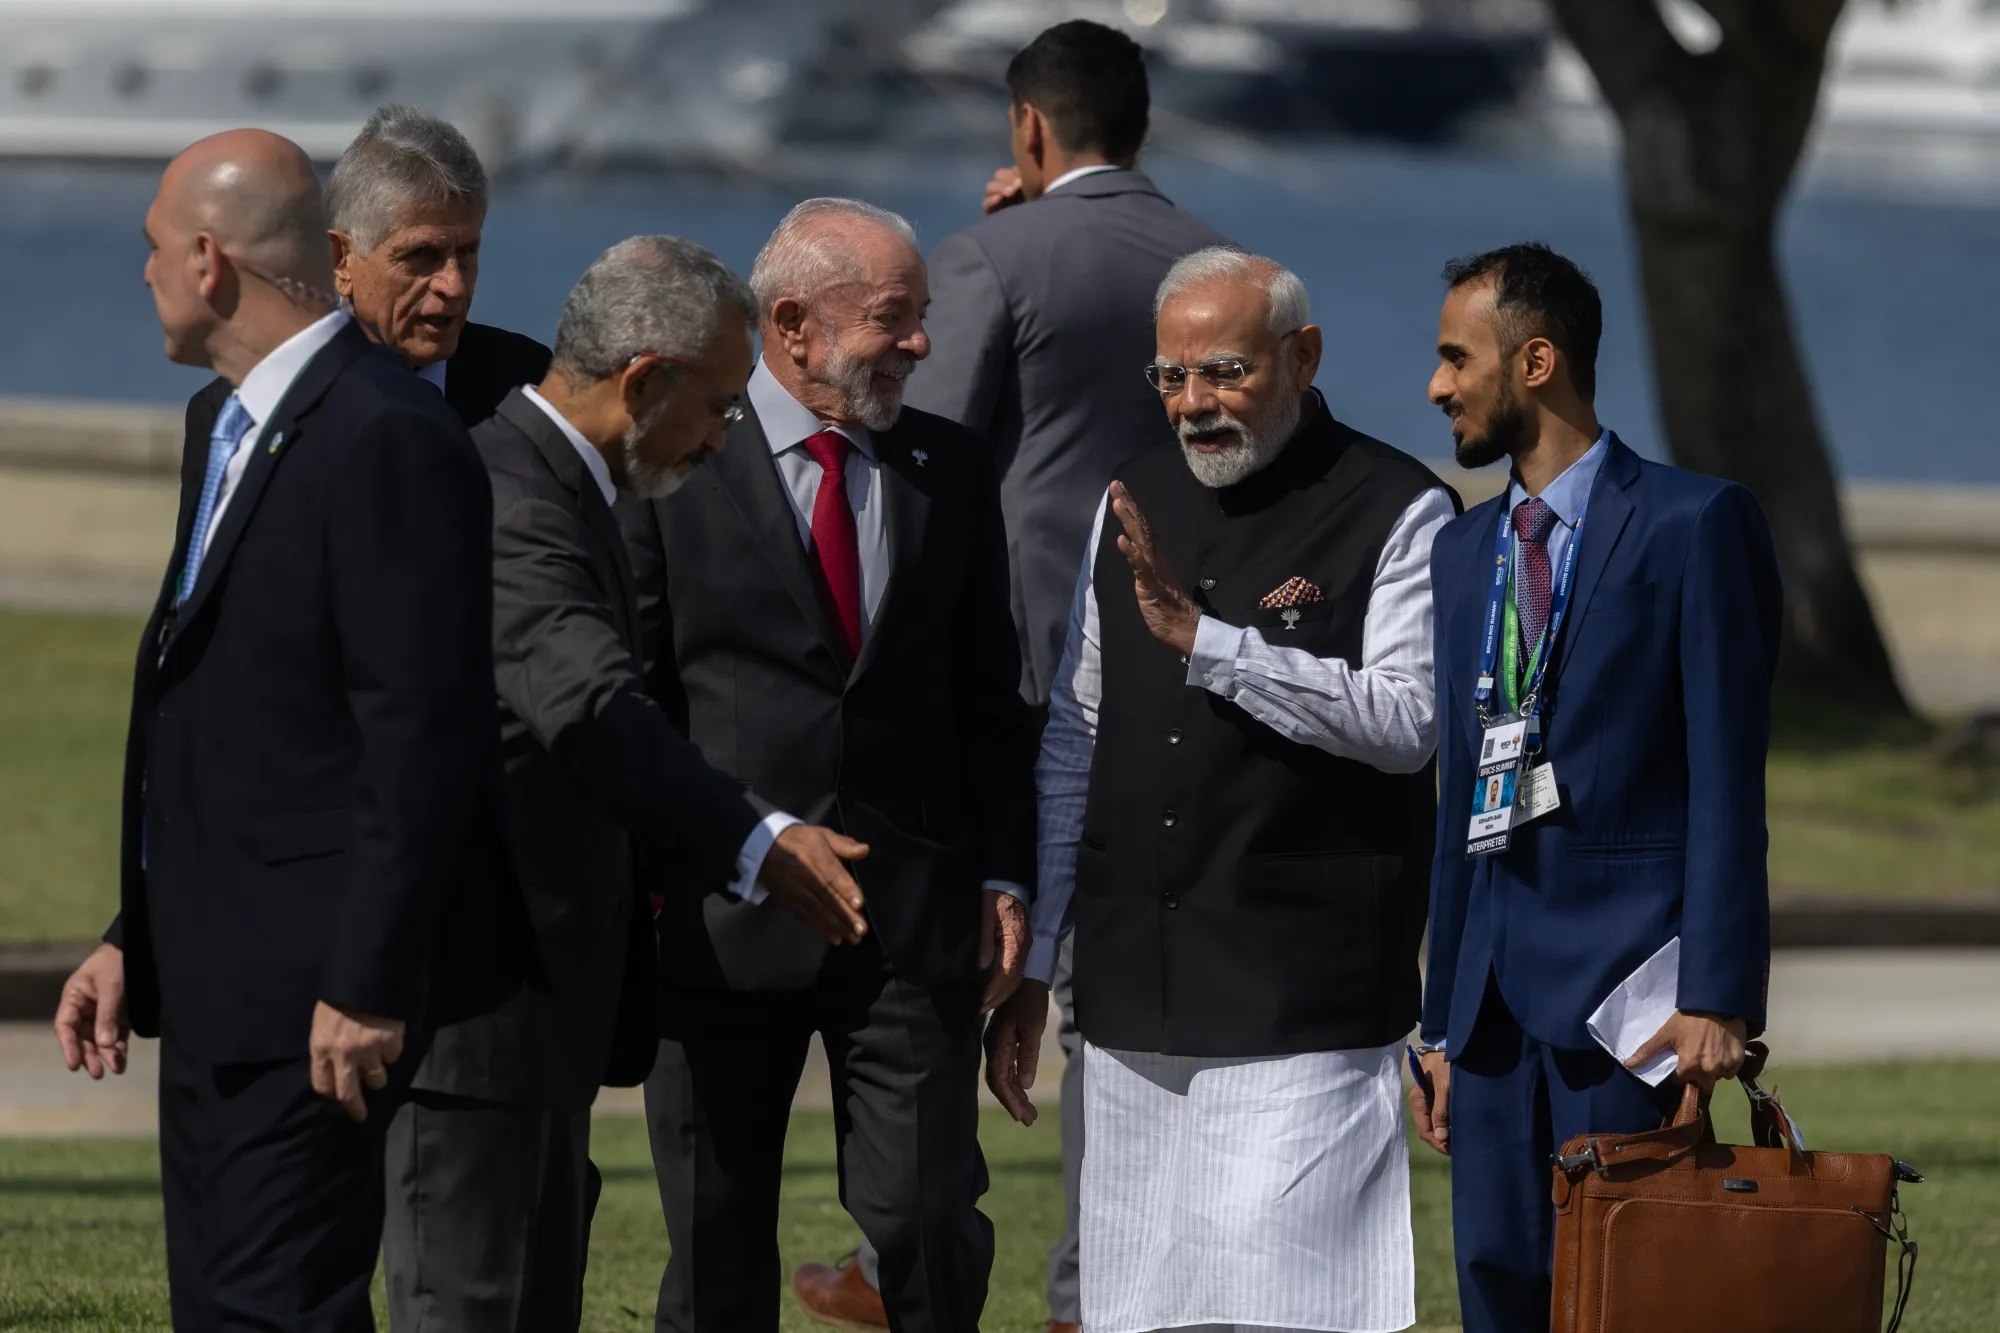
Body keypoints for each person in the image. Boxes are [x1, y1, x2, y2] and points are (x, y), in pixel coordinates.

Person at [51, 129, 527, 1330]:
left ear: (208, 260)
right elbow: (224, 712)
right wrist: (134, 932)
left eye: (155, 248)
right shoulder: (221, 419)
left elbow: (420, 730)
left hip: (316, 999)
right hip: (214, 978)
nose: (146, 273)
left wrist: (366, 982)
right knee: (223, 1308)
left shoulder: (386, 435)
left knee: (279, 1309)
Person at [809, 22, 1230, 1331]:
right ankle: (1088, 1284)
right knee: (1129, 994)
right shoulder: (1223, 273)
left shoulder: (995, 255)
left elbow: (912, 442)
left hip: (1020, 669)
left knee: (964, 972)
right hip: (1185, 672)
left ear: (1028, 130)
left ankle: (904, 1265)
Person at [381, 237, 873, 1332]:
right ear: (644, 380)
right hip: (479, 1014)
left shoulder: (568, 482)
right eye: (716, 406)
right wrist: (757, 842)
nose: (725, 436)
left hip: (538, 1017)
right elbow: (591, 706)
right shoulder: (513, 491)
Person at [984, 247, 1458, 1333]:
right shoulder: (1133, 497)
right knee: (1142, 1306)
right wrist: (1036, 958)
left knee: (1295, 1303)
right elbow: (1075, 736)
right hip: (1128, 990)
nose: (1193, 405)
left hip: (1303, 994)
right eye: (1171, 377)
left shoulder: (1397, 507)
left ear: (1302, 356)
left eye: (1224, 374)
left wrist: (1212, 645)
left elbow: (1405, 723)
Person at [619, 197, 1037, 1333]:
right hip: (718, 909)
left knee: (923, 1218)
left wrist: (1006, 875)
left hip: (910, 919)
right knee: (715, 1250)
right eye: (893, 320)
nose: (917, 345)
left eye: (919, 319)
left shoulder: (946, 467)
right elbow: (635, 692)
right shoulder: (668, 459)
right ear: (793, 324)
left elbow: (988, 701)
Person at [1409, 243, 1782, 1333]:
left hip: (1631, 1003)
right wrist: (1433, 1023)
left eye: (1452, 357)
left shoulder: (1692, 522)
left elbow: (1725, 775)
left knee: (1629, 1298)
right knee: (1497, 1286)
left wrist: (1716, 993)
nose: (1435, 386)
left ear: (1534, 360)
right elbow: (1458, 802)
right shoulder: (1461, 547)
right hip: (1481, 1013)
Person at [326, 104, 551, 425]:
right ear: (342, 261)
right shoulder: (284, 396)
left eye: (467, 254)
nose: (454, 286)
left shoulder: (527, 387)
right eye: (421, 255)